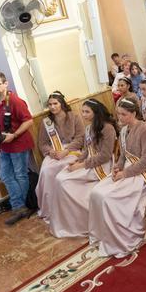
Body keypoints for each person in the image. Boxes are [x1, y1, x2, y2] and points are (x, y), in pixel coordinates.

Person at [88, 98, 146, 257]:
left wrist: (124, 173)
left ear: (134, 113)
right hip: (125, 170)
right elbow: (123, 156)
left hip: (141, 174)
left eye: (124, 114)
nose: (120, 118)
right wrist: (117, 166)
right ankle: (105, 236)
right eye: (118, 114)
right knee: (96, 192)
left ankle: (121, 239)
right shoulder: (124, 130)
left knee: (108, 197)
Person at [46, 99, 117, 238]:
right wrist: (78, 160)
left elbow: (105, 155)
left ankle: (82, 222)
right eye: (83, 111)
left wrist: (81, 165)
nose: (83, 114)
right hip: (88, 161)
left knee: (64, 182)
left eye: (87, 112)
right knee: (59, 177)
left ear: (96, 113)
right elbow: (86, 150)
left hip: (100, 166)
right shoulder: (89, 127)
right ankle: (68, 223)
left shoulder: (108, 128)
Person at [0, 72, 36, 225]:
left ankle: (20, 207)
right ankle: (19, 206)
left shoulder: (15, 101)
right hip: (4, 145)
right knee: (5, 175)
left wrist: (14, 135)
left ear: (5, 84)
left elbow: (29, 121)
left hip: (18, 143)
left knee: (20, 175)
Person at [35, 91, 84, 220]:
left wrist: (66, 151)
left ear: (61, 103)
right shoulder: (46, 122)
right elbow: (43, 143)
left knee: (65, 167)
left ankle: (69, 206)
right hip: (54, 153)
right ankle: (52, 208)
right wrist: (51, 152)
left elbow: (80, 138)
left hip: (71, 150)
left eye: (55, 103)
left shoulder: (74, 117)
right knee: (46, 170)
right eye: (50, 104)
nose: (52, 107)